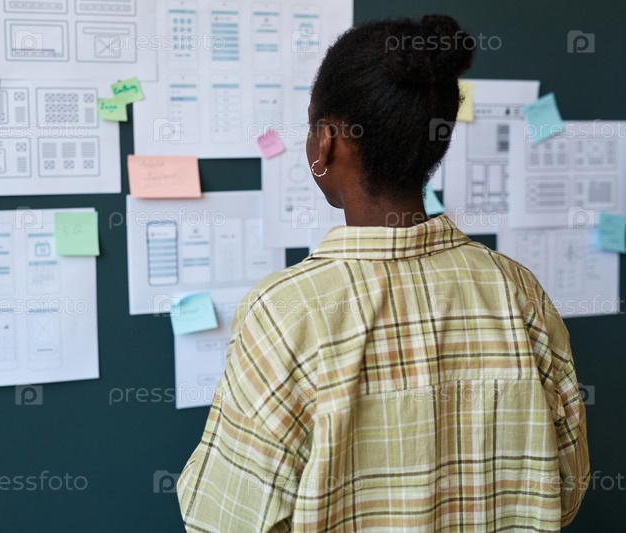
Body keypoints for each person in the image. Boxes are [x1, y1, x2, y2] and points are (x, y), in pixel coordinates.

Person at [177, 15, 589, 532]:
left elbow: (223, 520)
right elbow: (566, 487)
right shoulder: (519, 291)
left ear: (327, 141)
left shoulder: (284, 313)